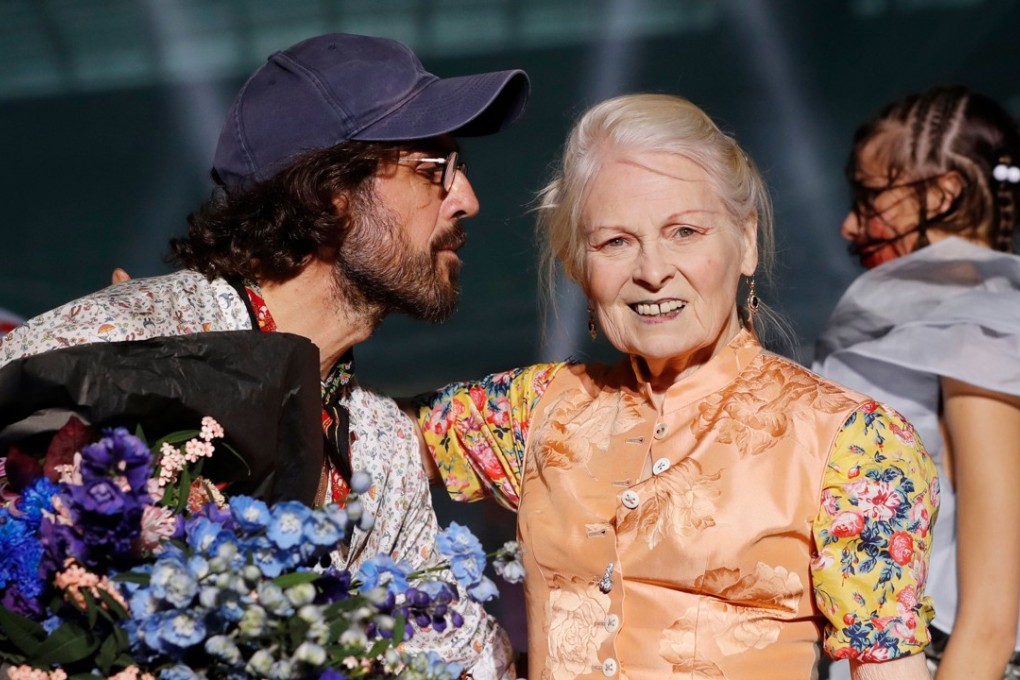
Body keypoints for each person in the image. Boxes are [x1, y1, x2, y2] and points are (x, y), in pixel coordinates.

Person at [0, 32, 530, 678]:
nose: (467, 198)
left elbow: (461, 655)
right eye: (433, 168)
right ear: (331, 193)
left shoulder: (381, 441)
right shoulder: (118, 342)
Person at [410, 93, 939, 679]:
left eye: (684, 231)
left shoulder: (854, 443)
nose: (653, 270)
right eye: (615, 242)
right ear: (577, 267)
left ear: (746, 241)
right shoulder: (532, 410)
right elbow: (348, 435)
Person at [814, 85, 1020, 680]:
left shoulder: (982, 333)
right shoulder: (946, 325)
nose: (852, 225)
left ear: (941, 194)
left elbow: (988, 622)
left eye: (871, 196)